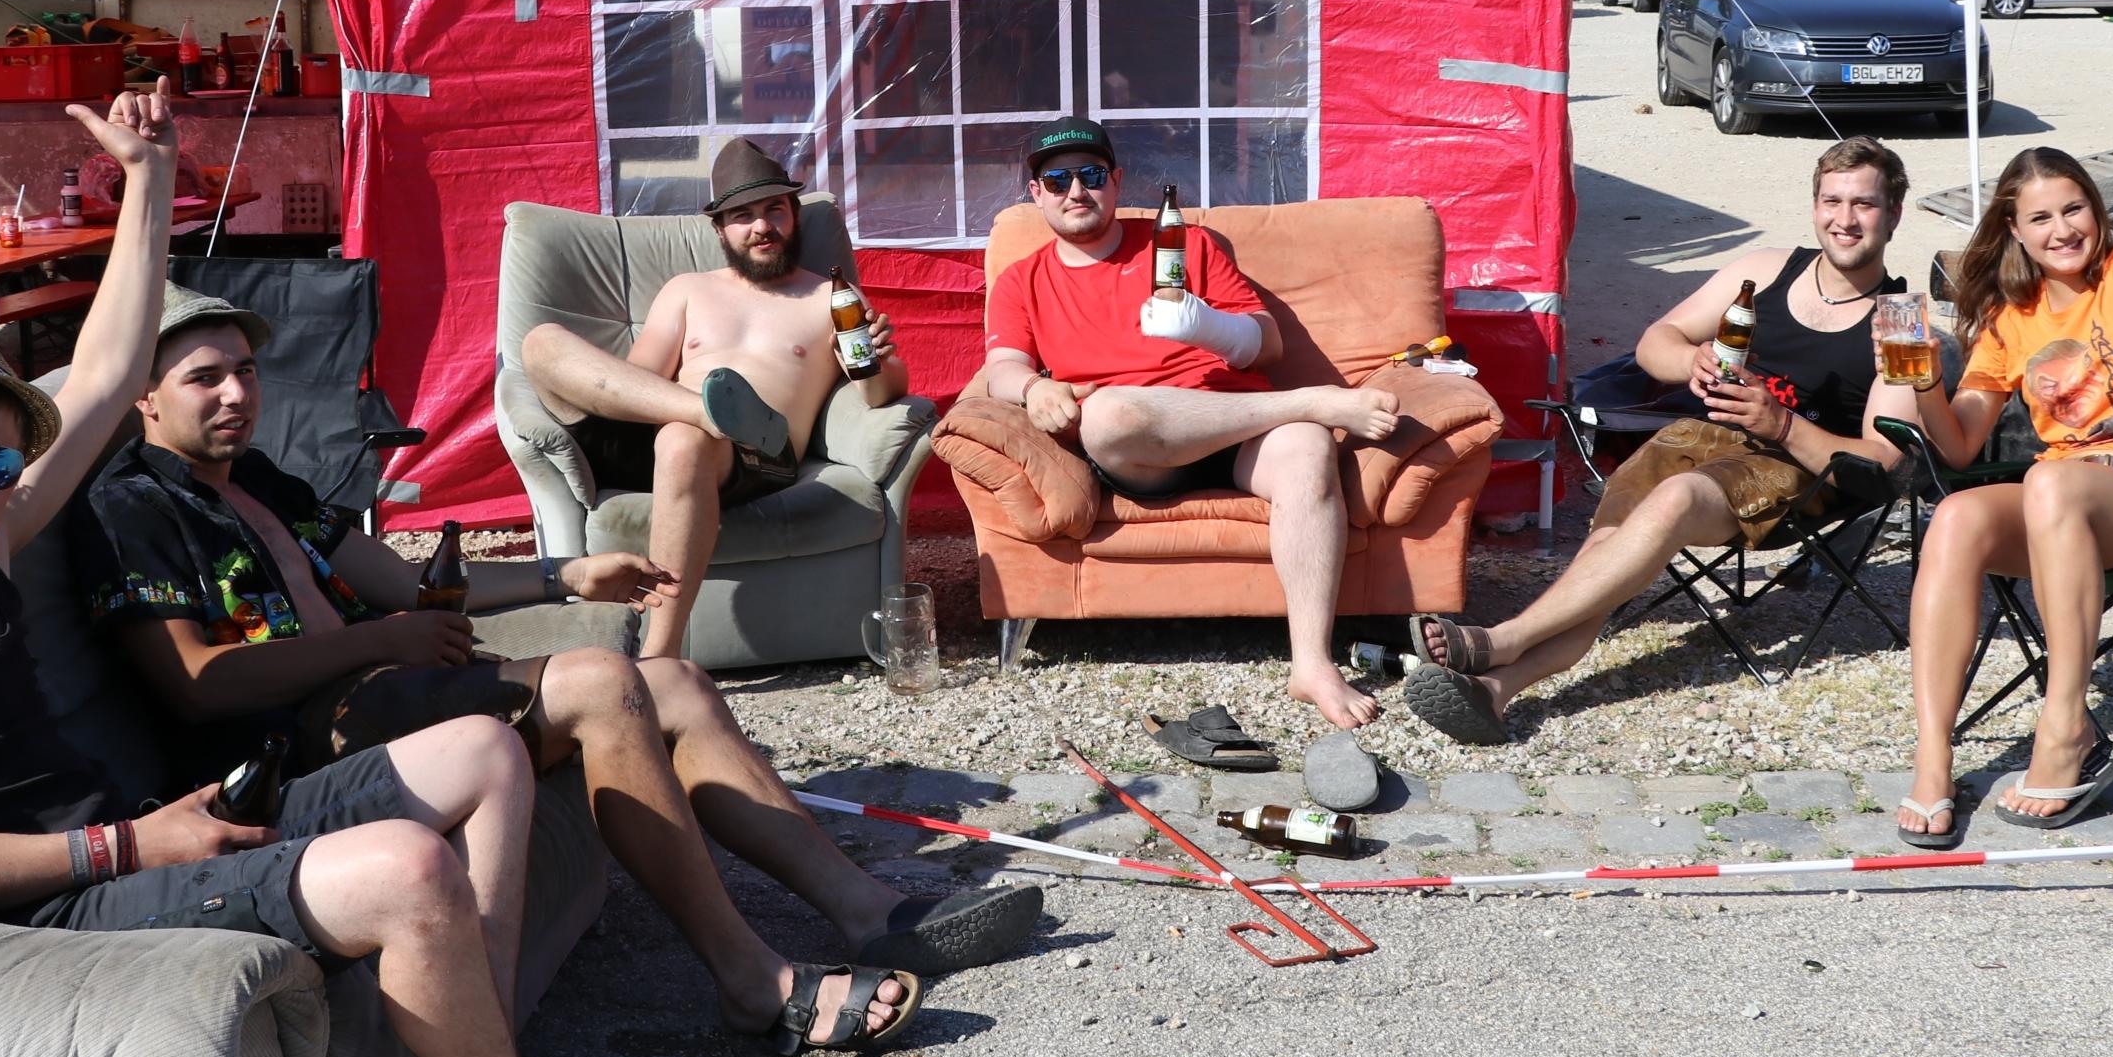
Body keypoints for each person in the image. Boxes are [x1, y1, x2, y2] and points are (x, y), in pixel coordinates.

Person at [0, 86, 640, 1057]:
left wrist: (148, 175)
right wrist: (126, 843)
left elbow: (100, 373)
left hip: (148, 835)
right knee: (411, 868)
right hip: (58, 905)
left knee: (485, 749)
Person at [69, 281, 1038, 1010]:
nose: (237, 392)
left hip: (379, 689)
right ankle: (752, 979)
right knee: (600, 683)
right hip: (295, 746)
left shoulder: (262, 481)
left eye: (245, 370)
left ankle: (867, 906)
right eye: (205, 377)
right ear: (146, 397)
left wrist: (565, 573)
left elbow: (404, 578)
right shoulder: (132, 506)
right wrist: (388, 637)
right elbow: (199, 684)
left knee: (677, 680)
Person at [1404, 139, 1921, 745]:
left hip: (1793, 470)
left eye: (1864, 204)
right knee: (1607, 556)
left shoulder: (1902, 322)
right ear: (1814, 206)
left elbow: (1886, 460)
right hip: (1697, 439)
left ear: (1894, 214)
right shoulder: (1767, 270)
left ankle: (1501, 639)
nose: (1846, 219)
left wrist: (1780, 423)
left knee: (1674, 499)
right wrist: (1690, 362)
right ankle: (1495, 693)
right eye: (1832, 201)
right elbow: (1656, 341)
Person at [1892, 0, 2113, 847]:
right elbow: (1958, 450)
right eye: (2039, 218)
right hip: (2061, 502)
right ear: (2016, 231)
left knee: (2052, 480)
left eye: (2073, 207)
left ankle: (2066, 724)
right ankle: (1932, 758)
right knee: (1956, 518)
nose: (2061, 227)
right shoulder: (2009, 318)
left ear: (2095, 211)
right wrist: (1918, 375)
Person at [971, 119, 1401, 730]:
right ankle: (1308, 402)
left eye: (1092, 175)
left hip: (1235, 427)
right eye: (1057, 179)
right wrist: (1034, 387)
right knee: (1113, 412)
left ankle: (1311, 662)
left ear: (1116, 182)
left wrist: (1206, 326)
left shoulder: (1184, 245)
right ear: (1035, 192)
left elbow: (1268, 344)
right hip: (1140, 448)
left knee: (1308, 447)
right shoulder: (1024, 279)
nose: (1077, 191)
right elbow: (1000, 369)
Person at [513, 139, 906, 658]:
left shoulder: (828, 298)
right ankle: (710, 411)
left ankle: (660, 655)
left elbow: (881, 393)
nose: (762, 226)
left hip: (754, 455)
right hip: (654, 424)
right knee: (540, 342)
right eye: (743, 216)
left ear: (794, 217)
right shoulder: (687, 288)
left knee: (682, 441)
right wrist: (680, 406)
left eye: (774, 210)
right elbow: (638, 378)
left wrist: (875, 362)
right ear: (720, 230)